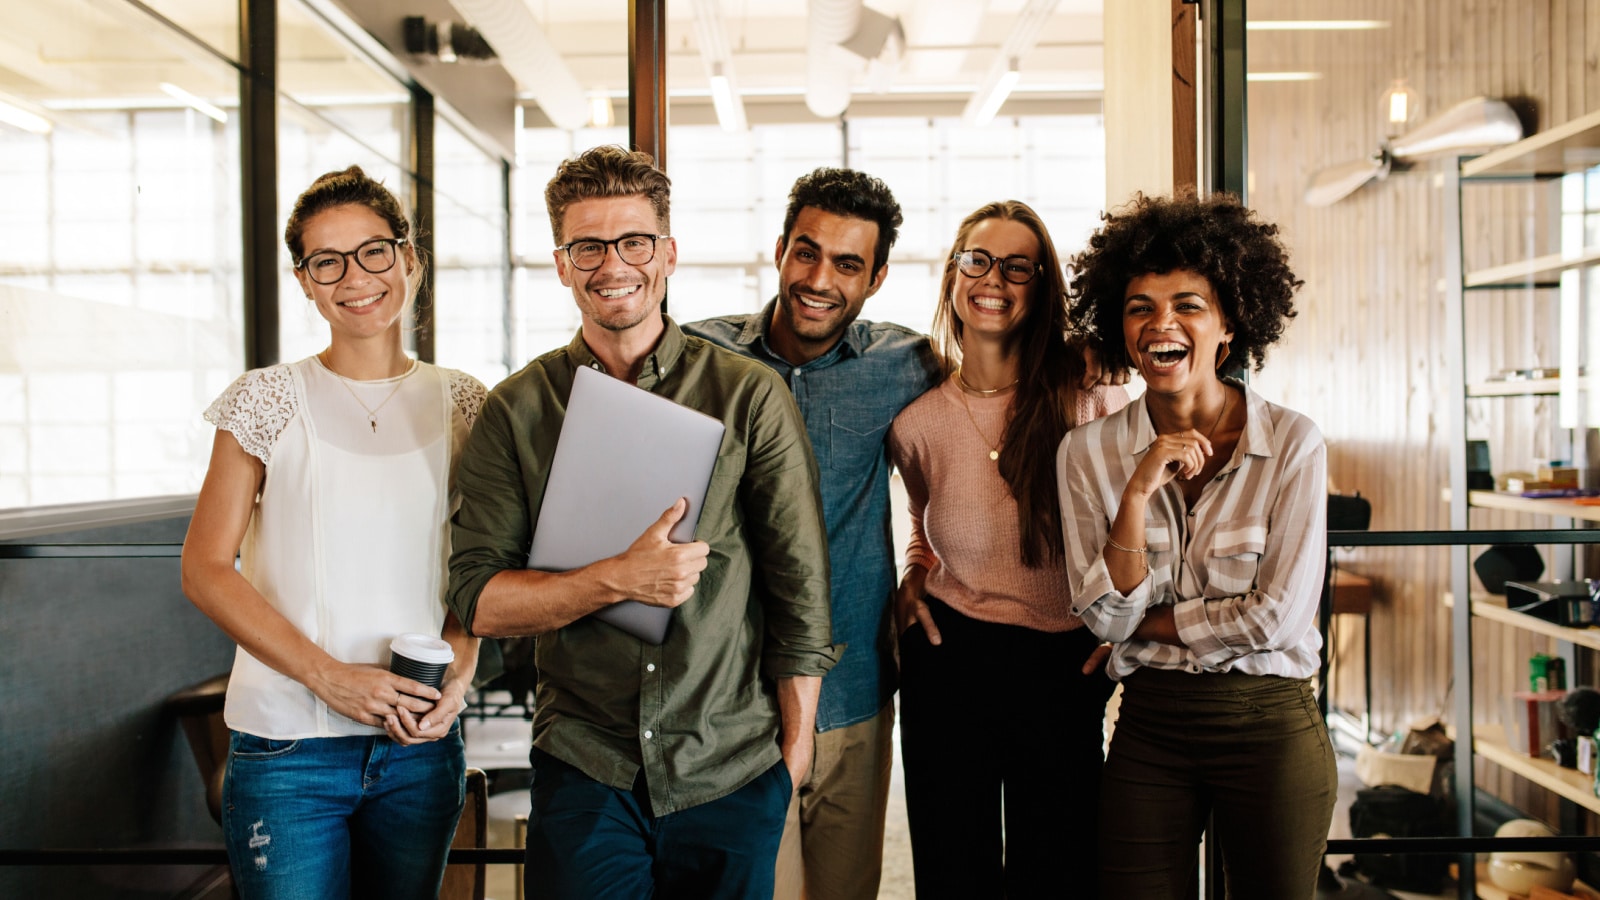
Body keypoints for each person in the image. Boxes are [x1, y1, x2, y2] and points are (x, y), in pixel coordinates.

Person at [445, 145, 838, 900]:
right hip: (587, 765)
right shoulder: (518, 410)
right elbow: (480, 599)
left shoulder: (748, 396)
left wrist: (792, 759)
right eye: (587, 246)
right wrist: (615, 580)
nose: (612, 264)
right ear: (561, 263)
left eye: (633, 241)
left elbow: (801, 592)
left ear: (668, 253)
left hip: (728, 761)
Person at [180, 165, 484, 898]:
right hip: (288, 749)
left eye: (374, 251)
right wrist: (327, 676)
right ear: (305, 281)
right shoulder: (266, 399)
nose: (356, 277)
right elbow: (206, 568)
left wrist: (462, 668)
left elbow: (483, 565)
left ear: (408, 259)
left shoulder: (466, 402)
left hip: (418, 750)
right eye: (328, 261)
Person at [1057, 191, 1335, 898]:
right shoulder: (1086, 453)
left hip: (1270, 723)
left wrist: (1144, 623)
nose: (1161, 324)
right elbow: (1096, 619)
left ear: (1229, 324)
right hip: (1150, 727)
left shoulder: (1293, 442)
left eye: (1187, 305)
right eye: (1140, 308)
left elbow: (1277, 619)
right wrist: (1137, 489)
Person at [683, 167, 939, 900]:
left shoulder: (907, 365)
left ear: (877, 277)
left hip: (854, 690)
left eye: (847, 263)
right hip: (732, 703)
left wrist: (926, 556)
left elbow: (981, 432)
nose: (820, 278)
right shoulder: (703, 359)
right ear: (780, 249)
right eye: (807, 252)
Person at [886, 200, 1126, 898]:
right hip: (950, 657)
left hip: (1064, 662)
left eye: (1019, 266)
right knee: (951, 865)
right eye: (978, 260)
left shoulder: (1089, 392)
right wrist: (912, 573)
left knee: (1057, 868)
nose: (995, 279)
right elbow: (921, 519)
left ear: (1042, 285)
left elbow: (1142, 520)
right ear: (954, 276)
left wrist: (1129, 626)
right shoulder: (917, 422)